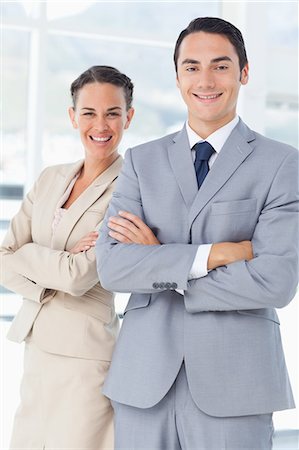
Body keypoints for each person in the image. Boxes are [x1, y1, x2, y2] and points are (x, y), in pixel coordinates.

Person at [96, 17, 298, 450]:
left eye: (220, 66)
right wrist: (212, 255)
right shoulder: (141, 161)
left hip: (237, 384)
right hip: (143, 382)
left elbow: (275, 281)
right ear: (177, 77)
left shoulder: (282, 164)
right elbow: (113, 267)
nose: (205, 80)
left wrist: (160, 260)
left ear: (244, 73)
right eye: (191, 67)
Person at [0, 65, 135, 449]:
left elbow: (80, 276)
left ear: (129, 116)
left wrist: (28, 254)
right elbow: (2, 258)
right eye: (89, 113)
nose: (101, 124)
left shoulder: (130, 190)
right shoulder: (50, 178)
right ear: (73, 116)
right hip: (36, 344)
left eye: (113, 112)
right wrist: (49, 262)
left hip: (86, 355)